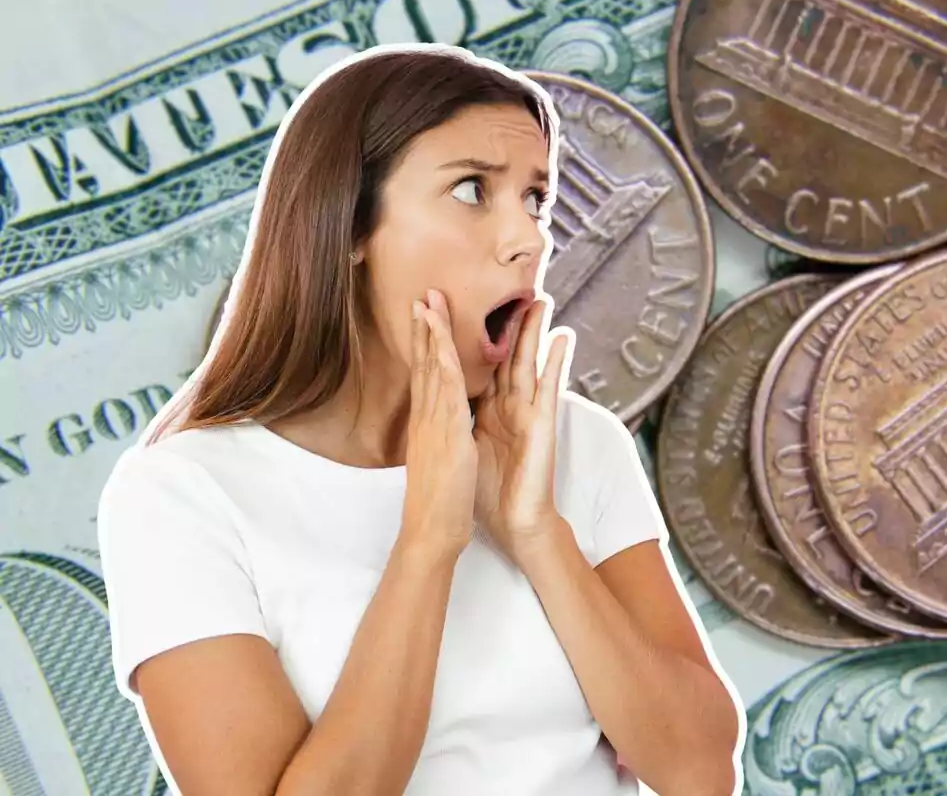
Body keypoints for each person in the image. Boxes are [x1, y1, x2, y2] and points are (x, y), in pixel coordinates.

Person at [95, 44, 743, 796]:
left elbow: (699, 772)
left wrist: (535, 532)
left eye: (535, 198)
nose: (531, 237)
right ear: (347, 228)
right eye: (472, 189)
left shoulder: (573, 444)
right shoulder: (181, 496)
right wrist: (429, 540)